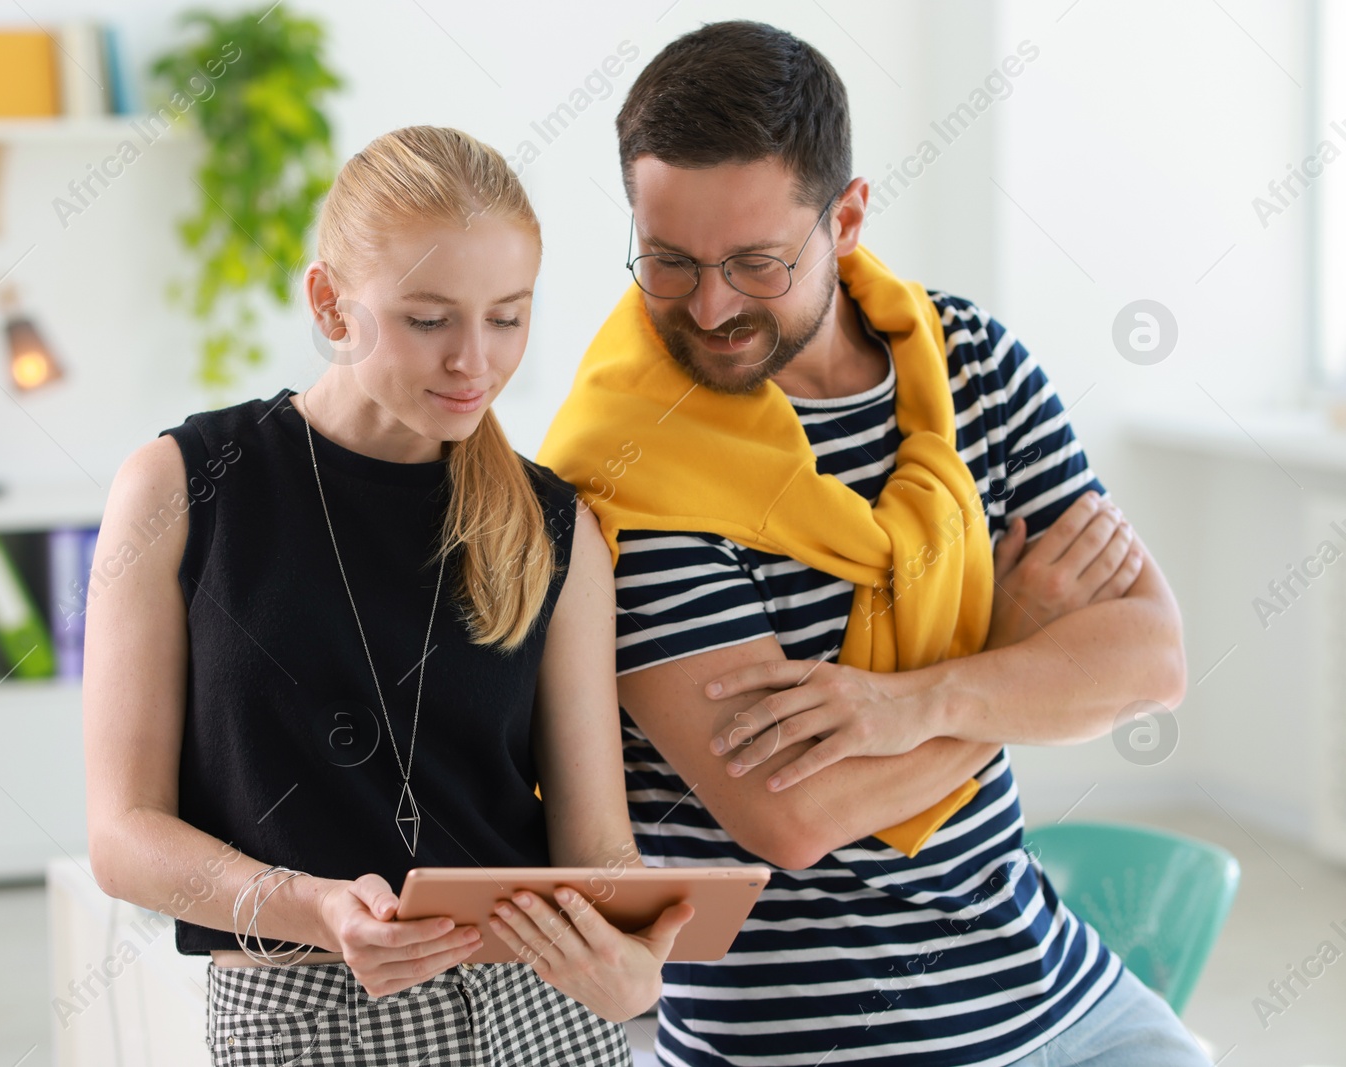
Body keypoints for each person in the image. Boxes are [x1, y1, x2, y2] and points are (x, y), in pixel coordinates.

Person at [536, 20, 1209, 1067]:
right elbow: (797, 813)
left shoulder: (968, 359)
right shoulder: (627, 472)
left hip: (1056, 990)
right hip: (819, 1036)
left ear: (845, 218)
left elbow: (1152, 658)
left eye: (754, 262)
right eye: (667, 262)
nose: (710, 307)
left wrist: (922, 698)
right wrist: (1011, 658)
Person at [83, 125, 693, 1067]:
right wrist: (316, 908)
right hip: (299, 1014)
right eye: (427, 319)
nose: (474, 362)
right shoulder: (182, 487)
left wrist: (633, 971)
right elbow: (123, 837)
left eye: (507, 317)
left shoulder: (554, 524)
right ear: (330, 302)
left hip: (539, 1018)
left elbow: (596, 844)